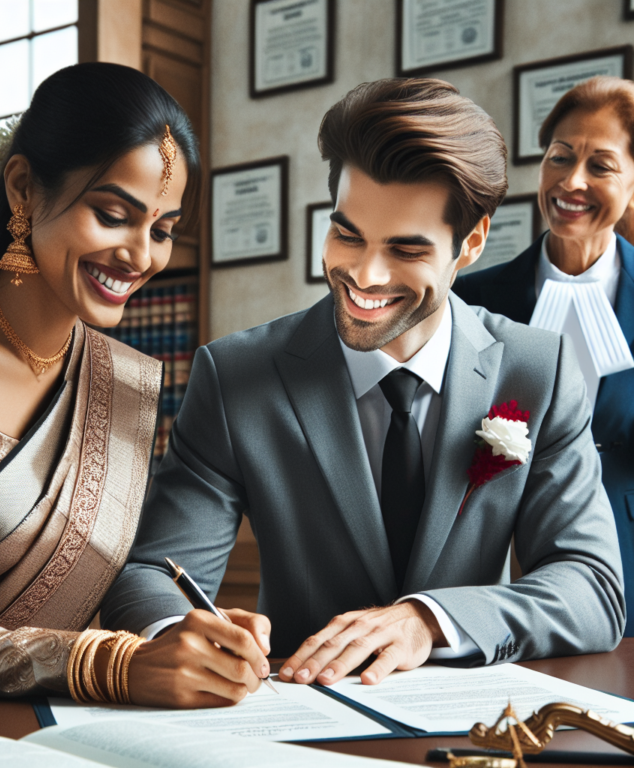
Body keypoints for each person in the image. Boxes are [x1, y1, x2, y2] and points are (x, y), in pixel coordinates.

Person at [101, 78, 625, 690]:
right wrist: (175, 635)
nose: (365, 275)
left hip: (474, 725)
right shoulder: (234, 376)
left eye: (406, 248)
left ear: (472, 242)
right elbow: (152, 573)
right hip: (298, 714)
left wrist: (426, 621)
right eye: (347, 234)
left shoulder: (538, 369)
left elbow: (591, 587)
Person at [0, 62, 270, 708]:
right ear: (23, 188)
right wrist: (105, 663)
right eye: (114, 215)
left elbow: (100, 581)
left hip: (60, 735)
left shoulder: (122, 381)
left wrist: (193, 637)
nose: (141, 256)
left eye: (162, 231)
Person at [454, 76, 634, 636]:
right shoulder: (473, 300)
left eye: (600, 166)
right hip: (497, 585)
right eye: (560, 157)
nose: (572, 181)